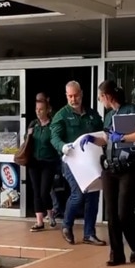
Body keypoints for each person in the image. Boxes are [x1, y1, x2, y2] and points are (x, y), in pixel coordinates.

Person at [80, 80, 135, 266]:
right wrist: (91, 139)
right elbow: (106, 138)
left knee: (124, 213)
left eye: (100, 96)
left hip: (129, 167)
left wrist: (123, 137)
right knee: (111, 214)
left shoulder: (132, 110)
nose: (99, 100)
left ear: (107, 96)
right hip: (111, 167)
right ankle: (116, 255)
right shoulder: (109, 115)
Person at [50, 81, 106, 246]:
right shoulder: (61, 115)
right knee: (78, 194)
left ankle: (89, 233)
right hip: (72, 162)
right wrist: (62, 147)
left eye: (76, 95)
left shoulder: (91, 114)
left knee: (93, 195)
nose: (73, 99)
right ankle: (67, 226)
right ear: (66, 95)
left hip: (90, 161)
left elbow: (102, 132)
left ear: (81, 94)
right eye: (70, 96)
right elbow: (54, 137)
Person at [27, 91, 59, 231]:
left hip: (48, 162)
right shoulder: (33, 124)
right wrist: (27, 135)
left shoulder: (52, 125)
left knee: (44, 191)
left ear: (47, 110)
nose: (38, 112)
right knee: (36, 191)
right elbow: (27, 142)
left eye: (41, 110)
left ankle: (51, 212)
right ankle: (39, 221)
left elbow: (56, 142)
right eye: (36, 110)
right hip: (34, 161)